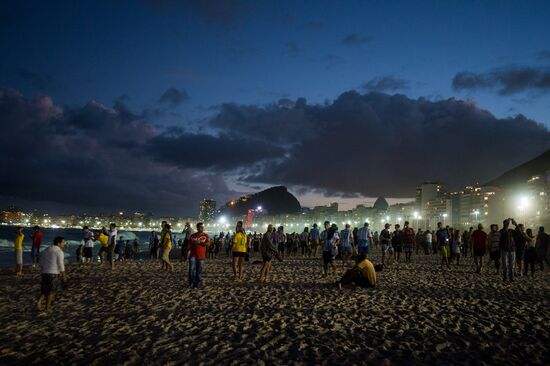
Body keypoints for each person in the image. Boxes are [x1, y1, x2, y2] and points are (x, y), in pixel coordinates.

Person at [37, 236, 67, 312]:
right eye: (63, 242)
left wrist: (43, 269)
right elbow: (60, 264)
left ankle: (39, 302)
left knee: (44, 289)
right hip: (53, 273)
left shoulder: (46, 249)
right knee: (51, 291)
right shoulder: (59, 251)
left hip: (44, 272)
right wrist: (64, 275)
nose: (64, 244)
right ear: (58, 243)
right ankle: (47, 307)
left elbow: (41, 261)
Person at [188, 222, 210, 288]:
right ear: (197, 228)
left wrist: (200, 242)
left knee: (199, 270)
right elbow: (189, 245)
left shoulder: (206, 235)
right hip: (192, 255)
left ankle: (197, 283)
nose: (202, 228)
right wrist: (187, 253)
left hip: (201, 256)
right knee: (191, 270)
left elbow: (208, 244)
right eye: (200, 227)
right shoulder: (192, 236)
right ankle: (191, 283)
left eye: (202, 227)